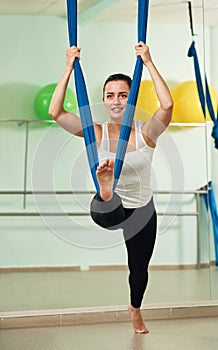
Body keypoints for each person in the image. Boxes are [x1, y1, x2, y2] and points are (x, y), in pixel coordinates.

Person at [49, 41, 173, 334]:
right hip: (113, 209)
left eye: (122, 95)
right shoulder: (96, 133)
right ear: (104, 101)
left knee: (139, 270)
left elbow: (167, 105)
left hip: (142, 211)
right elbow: (56, 112)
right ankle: (106, 191)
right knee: (105, 205)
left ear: (131, 100)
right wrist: (68, 67)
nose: (116, 100)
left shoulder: (146, 133)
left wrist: (149, 63)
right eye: (110, 95)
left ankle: (135, 310)